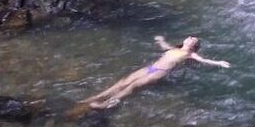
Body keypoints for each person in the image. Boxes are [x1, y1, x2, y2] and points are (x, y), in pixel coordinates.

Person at [79, 36, 230, 109]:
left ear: (194, 46)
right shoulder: (174, 48)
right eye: (190, 36)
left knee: (132, 87)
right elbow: (164, 46)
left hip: (160, 72)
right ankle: (97, 97)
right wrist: (160, 40)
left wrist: (219, 63)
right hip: (151, 67)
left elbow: (204, 60)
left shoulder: (190, 54)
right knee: (123, 82)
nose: (190, 38)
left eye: (193, 39)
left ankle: (105, 105)